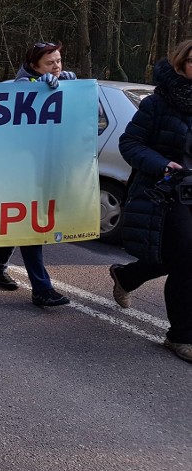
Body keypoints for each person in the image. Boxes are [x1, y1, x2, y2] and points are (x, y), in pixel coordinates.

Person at [110, 42, 192, 363]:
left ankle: (127, 277)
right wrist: (162, 165)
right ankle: (181, 336)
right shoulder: (158, 102)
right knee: (187, 259)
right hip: (165, 192)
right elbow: (130, 143)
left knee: (174, 258)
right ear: (180, 64)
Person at [0, 42, 76, 306]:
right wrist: (36, 88)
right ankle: (42, 288)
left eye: (59, 61)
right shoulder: (20, 89)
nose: (57, 67)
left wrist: (73, 87)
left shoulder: (61, 85)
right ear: (35, 66)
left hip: (45, 167)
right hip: (19, 171)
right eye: (50, 63)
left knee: (20, 220)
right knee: (31, 225)